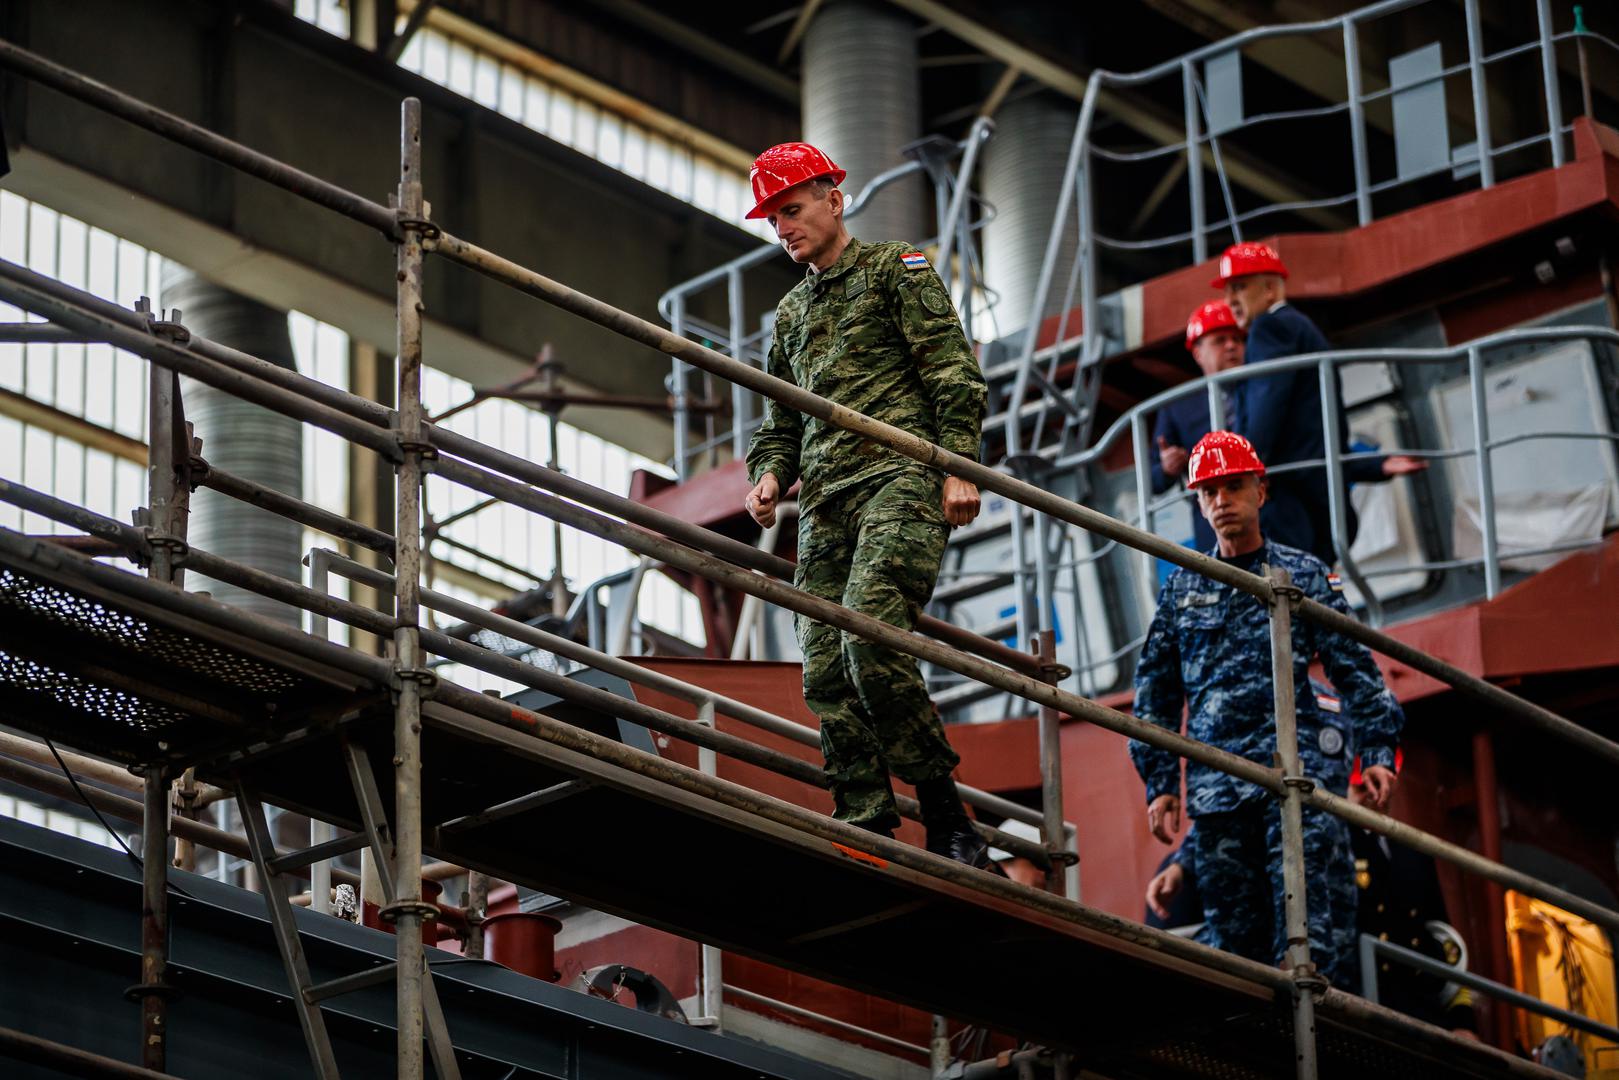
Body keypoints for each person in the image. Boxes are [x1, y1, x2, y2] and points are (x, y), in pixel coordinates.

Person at [741, 142, 994, 870]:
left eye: (791, 210)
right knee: (823, 670)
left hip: (901, 479)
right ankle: (866, 827)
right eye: (772, 219)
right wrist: (768, 477)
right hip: (824, 504)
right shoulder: (789, 315)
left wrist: (956, 467)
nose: (782, 228)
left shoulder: (894, 270)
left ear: (832, 199)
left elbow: (951, 371)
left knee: (868, 640)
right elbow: (779, 423)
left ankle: (948, 819)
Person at [1129, 430, 1403, 987]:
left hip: (1292, 787)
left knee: (1307, 946)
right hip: (1217, 797)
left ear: (1261, 490)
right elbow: (1154, 693)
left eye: (1233, 487)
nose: (1221, 501)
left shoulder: (1301, 577)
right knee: (1237, 954)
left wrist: (1377, 752)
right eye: (1208, 492)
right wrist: (1161, 783)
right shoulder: (1183, 588)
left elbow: (1358, 670)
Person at [1213, 242, 1427, 565]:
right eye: (1227, 291)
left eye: (1239, 288)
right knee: (1317, 589)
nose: (1229, 301)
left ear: (1269, 289)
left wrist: (1242, 471)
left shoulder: (1270, 328)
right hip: (1316, 495)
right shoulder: (1299, 326)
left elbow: (1266, 411)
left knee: (1295, 594)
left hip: (1293, 500)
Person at [1338, 751, 1480, 1036]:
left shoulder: (1413, 851)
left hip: (1421, 1012)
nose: (1372, 794)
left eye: (1379, 784)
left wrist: (1463, 1021)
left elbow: (1443, 939)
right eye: (1362, 786)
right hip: (1359, 1009)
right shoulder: (1334, 844)